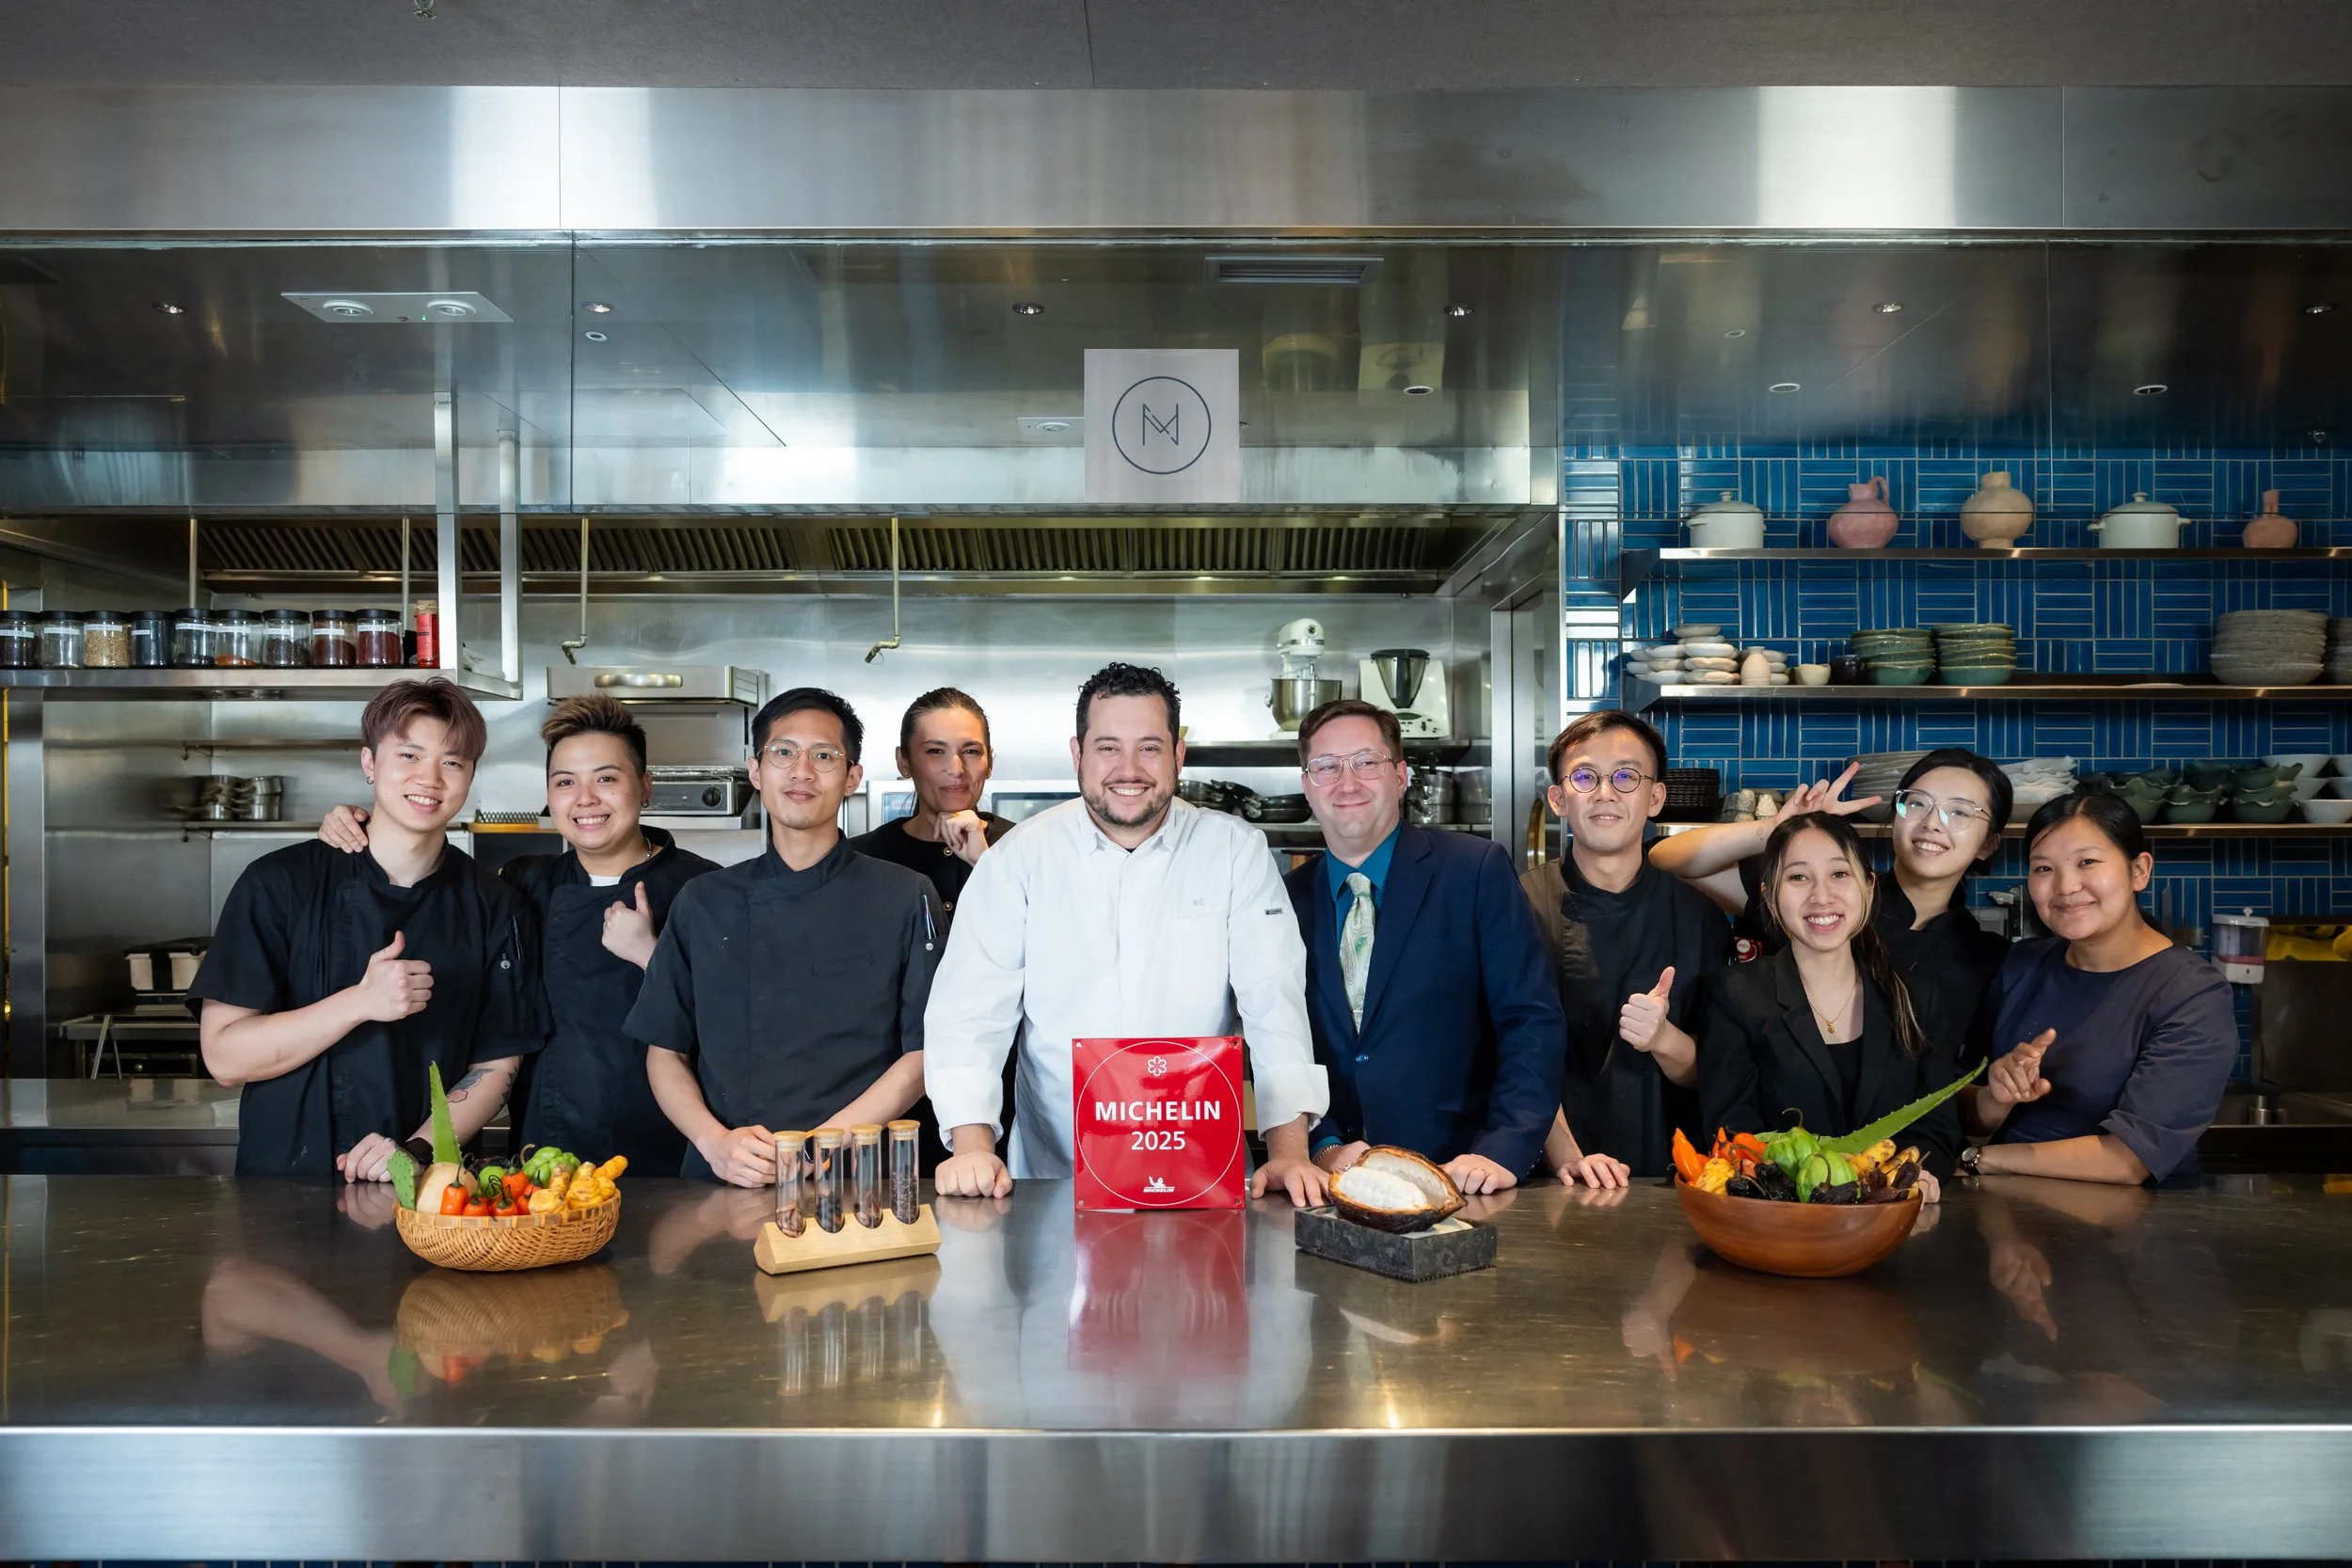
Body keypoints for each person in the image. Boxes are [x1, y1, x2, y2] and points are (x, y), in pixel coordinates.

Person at [922, 662, 1331, 1205]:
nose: (1129, 768)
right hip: (1056, 1179)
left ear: (1178, 756)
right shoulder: (1020, 859)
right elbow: (970, 1013)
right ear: (1078, 754)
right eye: (1109, 747)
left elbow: (1275, 1004)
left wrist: (1289, 1153)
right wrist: (972, 1146)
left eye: (1150, 748)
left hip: (1201, 1176)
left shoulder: (1234, 851)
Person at [320, 695, 722, 1172]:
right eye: (565, 782)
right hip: (545, 1159)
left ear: (645, 787)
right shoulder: (523, 883)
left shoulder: (706, 890)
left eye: (607, 779)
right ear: (550, 795)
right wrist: (355, 819)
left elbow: (739, 1029)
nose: (585, 799)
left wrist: (650, 957)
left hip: (673, 1156)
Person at [191, 678, 542, 1180]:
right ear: (369, 764)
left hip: (431, 1195)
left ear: (470, 777)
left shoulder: (496, 904)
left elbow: (498, 1062)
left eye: (453, 762)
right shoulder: (279, 883)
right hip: (284, 1187)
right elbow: (225, 1057)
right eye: (409, 756)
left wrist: (416, 1152)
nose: (431, 779)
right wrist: (360, 1002)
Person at [625, 688, 942, 1185]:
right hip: (726, 1179)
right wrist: (714, 1142)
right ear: (755, 771)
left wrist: (827, 1141)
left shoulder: (904, 895)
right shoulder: (703, 901)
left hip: (857, 1181)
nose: (801, 772)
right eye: (783, 753)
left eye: (823, 756)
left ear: (852, 777)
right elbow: (665, 1050)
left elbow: (925, 1053)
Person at [1282, 698, 1564, 1194]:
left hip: (1463, 1176)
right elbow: (1282, 1041)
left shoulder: (1474, 870)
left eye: (1367, 762)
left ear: (1401, 775)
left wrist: (1500, 1150)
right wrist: (1322, 1143)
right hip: (1339, 1181)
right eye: (1326, 767)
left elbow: (1530, 1021)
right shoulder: (1286, 899)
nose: (1347, 783)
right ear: (1307, 785)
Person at [1648, 747, 2014, 1047]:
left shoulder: (1985, 958)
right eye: (1917, 803)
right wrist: (1775, 829)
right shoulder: (1821, 895)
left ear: (1988, 844)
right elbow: (1666, 860)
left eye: (1960, 812)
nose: (1932, 823)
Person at [1958, 791, 2236, 1186]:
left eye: (2087, 862)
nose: (2066, 886)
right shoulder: (2021, 964)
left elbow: (2130, 1160)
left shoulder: (2191, 993)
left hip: (2133, 1231)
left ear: (2139, 871)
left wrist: (1979, 1160)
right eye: (2043, 869)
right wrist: (1995, 1100)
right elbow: (1965, 1108)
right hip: (2008, 1220)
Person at [1696, 812, 1960, 1192]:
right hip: (1781, 1220)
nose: (1822, 896)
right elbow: (1733, 1130)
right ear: (1770, 896)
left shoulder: (1917, 995)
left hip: (1891, 1214)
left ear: (1868, 887)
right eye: (1798, 877)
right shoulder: (1735, 994)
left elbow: (1938, 1124)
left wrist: (1910, 1175)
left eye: (1839, 874)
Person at [1520, 711, 1731, 1183]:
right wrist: (1567, 1157)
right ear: (1558, 798)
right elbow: (1502, 1055)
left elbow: (1719, 1070)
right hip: (1543, 1176)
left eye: (1625, 776)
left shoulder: (1699, 918)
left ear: (1656, 797)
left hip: (1667, 1175)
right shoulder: (1517, 906)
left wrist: (1663, 1040)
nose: (1605, 791)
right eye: (1584, 776)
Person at [847, 687, 1015, 930]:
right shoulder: (861, 858)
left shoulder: (1026, 848)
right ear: (904, 761)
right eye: (935, 751)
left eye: (970, 751)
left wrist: (984, 863)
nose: (956, 769)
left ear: (989, 762)